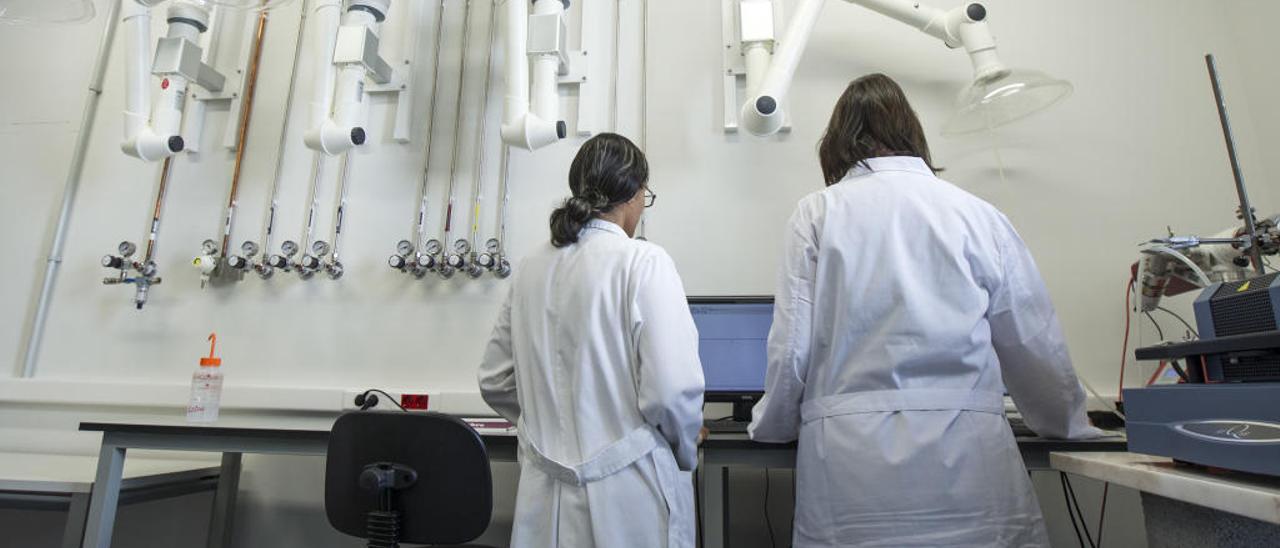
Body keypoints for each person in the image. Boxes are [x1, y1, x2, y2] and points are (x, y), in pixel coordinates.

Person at [748, 73, 1102, 547]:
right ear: (911, 133)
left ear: (836, 143)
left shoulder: (817, 214)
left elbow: (792, 347)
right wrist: (1066, 422)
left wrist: (773, 426)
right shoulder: (977, 215)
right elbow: (1031, 339)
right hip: (969, 458)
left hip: (852, 466)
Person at [478, 133, 705, 548]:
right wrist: (686, 448)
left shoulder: (531, 266)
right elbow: (671, 393)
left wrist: (548, 433)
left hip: (544, 495)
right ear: (635, 193)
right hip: (630, 493)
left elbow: (495, 381)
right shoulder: (644, 261)